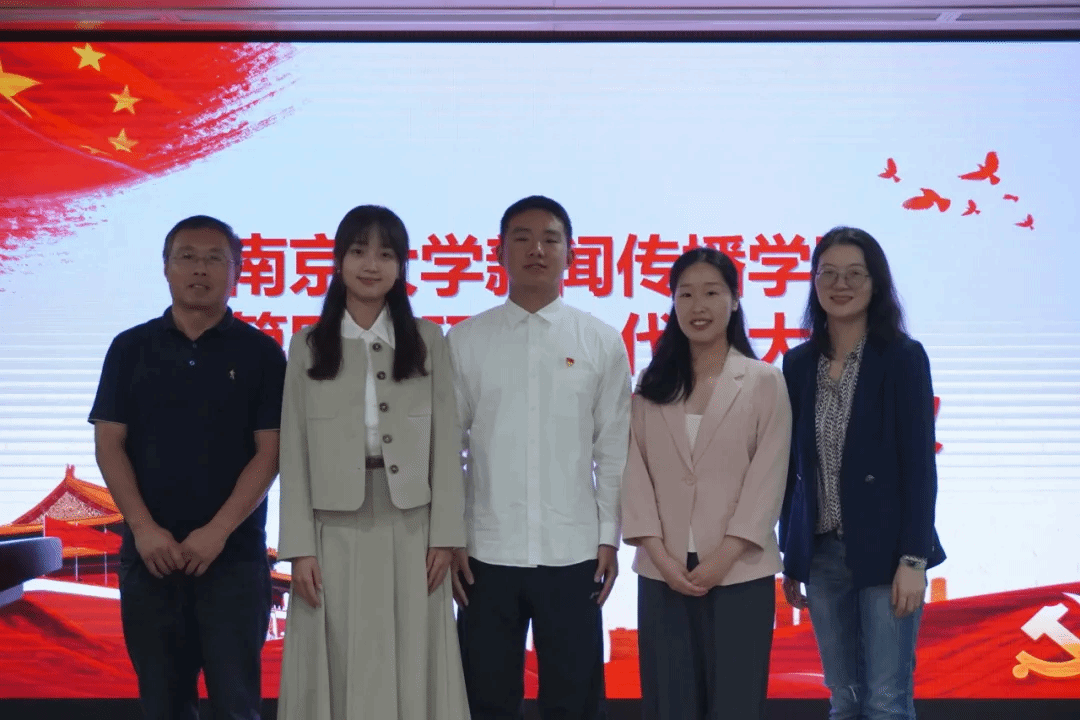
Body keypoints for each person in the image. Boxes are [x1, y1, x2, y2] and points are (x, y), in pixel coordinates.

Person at [276, 205, 469, 720]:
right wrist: (298, 548)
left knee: (412, 654)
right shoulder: (307, 345)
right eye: (359, 251)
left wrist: (445, 537)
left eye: (386, 254)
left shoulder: (427, 340)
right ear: (339, 260)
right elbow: (293, 451)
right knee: (339, 655)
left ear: (401, 267)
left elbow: (446, 444)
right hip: (330, 528)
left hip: (412, 524)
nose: (371, 264)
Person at [89, 215, 286, 720]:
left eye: (215, 258)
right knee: (162, 705)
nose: (200, 269)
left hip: (233, 559)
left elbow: (271, 452)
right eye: (187, 257)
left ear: (236, 271)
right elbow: (109, 444)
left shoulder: (262, 353)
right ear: (166, 268)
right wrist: (142, 528)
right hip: (150, 558)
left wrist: (217, 533)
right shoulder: (130, 348)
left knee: (237, 705)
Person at [447, 195, 631, 720]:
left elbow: (612, 448)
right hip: (485, 552)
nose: (537, 249)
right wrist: (451, 535)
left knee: (574, 702)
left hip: (573, 552)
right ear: (499, 252)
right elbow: (447, 448)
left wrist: (608, 536)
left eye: (551, 239)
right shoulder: (465, 340)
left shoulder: (600, 341)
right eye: (522, 238)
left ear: (571, 253)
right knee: (485, 700)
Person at [779, 226, 946, 720]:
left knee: (886, 701)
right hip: (822, 556)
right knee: (844, 699)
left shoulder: (902, 357)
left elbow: (920, 467)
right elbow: (793, 467)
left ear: (876, 283)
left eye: (855, 274)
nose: (841, 284)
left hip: (888, 553)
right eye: (828, 273)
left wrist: (913, 559)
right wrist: (792, 553)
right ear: (814, 281)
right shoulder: (798, 363)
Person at [620, 247, 791, 720]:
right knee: (670, 703)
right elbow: (634, 472)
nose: (698, 307)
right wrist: (659, 555)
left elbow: (768, 476)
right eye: (686, 294)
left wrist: (722, 558)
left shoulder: (763, 381)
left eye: (712, 293)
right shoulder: (652, 383)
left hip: (741, 572)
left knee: (735, 703)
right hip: (665, 572)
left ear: (735, 300)